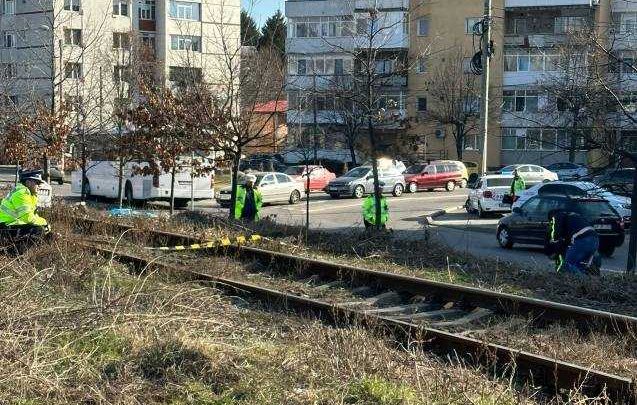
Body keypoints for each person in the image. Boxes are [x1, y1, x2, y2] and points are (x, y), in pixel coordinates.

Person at [546, 209, 600, 275]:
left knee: (567, 265)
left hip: (582, 240)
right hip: (595, 239)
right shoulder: (574, 216)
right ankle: (590, 280)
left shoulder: (557, 215)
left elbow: (556, 234)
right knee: (578, 265)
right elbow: (567, 241)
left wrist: (553, 243)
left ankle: (585, 281)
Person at [0, 170, 50, 241]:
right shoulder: (22, 193)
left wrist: (44, 224)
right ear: (28, 183)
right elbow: (28, 218)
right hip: (5, 227)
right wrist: (44, 222)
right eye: (37, 183)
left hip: (10, 224)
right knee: (38, 230)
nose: (39, 186)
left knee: (45, 232)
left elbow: (33, 215)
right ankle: (15, 251)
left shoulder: (30, 194)